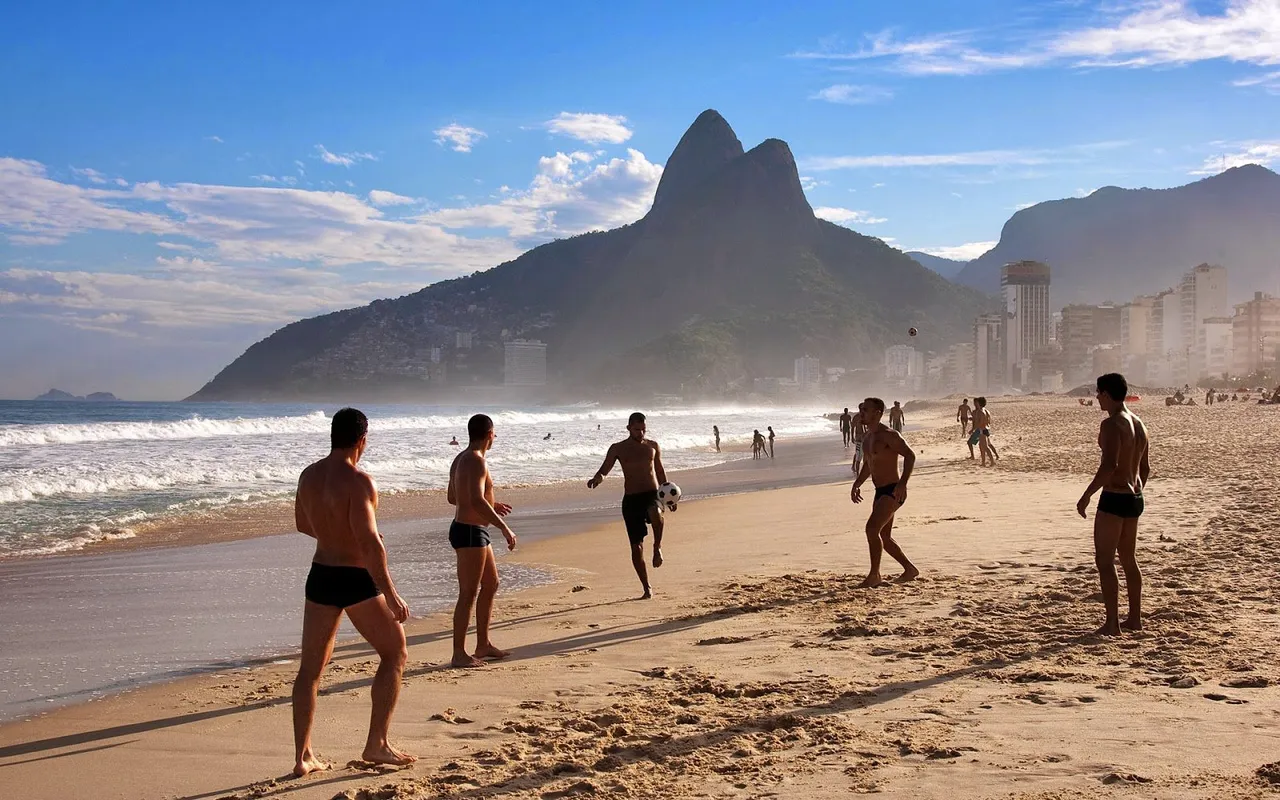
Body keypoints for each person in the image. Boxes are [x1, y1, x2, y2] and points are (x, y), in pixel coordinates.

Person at [291, 408, 415, 777]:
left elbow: (302, 523)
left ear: (333, 435)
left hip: (321, 575)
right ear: (362, 440)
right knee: (395, 652)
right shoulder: (360, 481)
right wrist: (391, 594)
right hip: (356, 579)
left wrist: (332, 536)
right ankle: (376, 744)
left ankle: (303, 757)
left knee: (310, 670)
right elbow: (370, 541)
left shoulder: (308, 476)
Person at [1076, 373, 1150, 637]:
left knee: (1105, 561)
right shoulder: (1139, 423)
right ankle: (1134, 619)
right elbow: (1145, 468)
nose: (1096, 398)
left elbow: (1109, 465)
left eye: (1098, 393)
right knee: (1129, 559)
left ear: (1107, 394)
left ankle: (1112, 624)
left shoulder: (1111, 424)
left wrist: (1087, 494)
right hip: (1135, 498)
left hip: (1115, 497)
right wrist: (1135, 489)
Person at [446, 414, 517, 668]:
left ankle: (483, 644)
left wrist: (490, 500)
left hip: (472, 530)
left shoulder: (459, 459)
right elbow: (474, 500)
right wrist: (504, 527)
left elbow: (453, 497)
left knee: (491, 583)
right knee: (468, 593)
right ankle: (458, 653)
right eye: (494, 434)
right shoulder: (477, 461)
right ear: (489, 434)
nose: (494, 437)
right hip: (469, 532)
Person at [587, 412, 667, 598]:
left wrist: (668, 496)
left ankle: (657, 547)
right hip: (631, 500)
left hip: (652, 495)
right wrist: (597, 479)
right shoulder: (618, 448)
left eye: (643, 430)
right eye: (637, 430)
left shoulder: (652, 446)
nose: (641, 433)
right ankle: (646, 587)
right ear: (628, 428)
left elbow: (660, 471)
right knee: (636, 547)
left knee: (655, 512)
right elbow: (605, 469)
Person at [851, 398, 919, 588]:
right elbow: (868, 465)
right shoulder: (867, 438)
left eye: (866, 409)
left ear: (878, 413)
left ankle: (874, 575)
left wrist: (903, 484)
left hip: (893, 490)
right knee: (885, 538)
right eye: (861, 408)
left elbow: (910, 455)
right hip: (879, 491)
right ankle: (910, 569)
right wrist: (857, 483)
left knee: (872, 529)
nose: (861, 412)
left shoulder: (889, 435)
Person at [850, 402, 868, 475]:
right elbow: (852, 427)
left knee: (864, 454)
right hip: (859, 438)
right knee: (858, 454)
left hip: (865, 438)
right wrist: (852, 437)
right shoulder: (856, 417)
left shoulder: (866, 416)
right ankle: (857, 472)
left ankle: (863, 471)